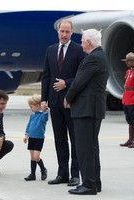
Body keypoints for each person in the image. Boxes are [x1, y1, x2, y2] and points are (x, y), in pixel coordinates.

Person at [64, 29, 109, 195]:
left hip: (86, 109)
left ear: (89, 42)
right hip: (92, 109)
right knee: (91, 147)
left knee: (85, 149)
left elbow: (78, 83)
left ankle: (89, 185)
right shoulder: (100, 56)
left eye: (83, 41)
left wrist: (67, 98)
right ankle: (94, 182)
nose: (81, 43)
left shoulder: (92, 58)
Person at [41, 19, 86, 187]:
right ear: (57, 32)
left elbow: (83, 75)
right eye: (62, 31)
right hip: (54, 102)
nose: (64, 34)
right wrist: (44, 99)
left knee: (74, 139)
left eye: (67, 32)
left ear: (72, 33)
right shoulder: (51, 50)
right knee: (59, 139)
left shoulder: (78, 50)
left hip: (71, 101)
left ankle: (75, 174)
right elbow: (46, 76)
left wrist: (66, 83)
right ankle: (62, 173)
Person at [23, 94, 48, 181]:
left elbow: (45, 118)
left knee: (36, 157)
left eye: (31, 106)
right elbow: (29, 125)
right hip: (32, 138)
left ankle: (43, 169)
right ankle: (32, 174)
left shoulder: (42, 115)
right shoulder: (32, 115)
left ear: (37, 106)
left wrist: (45, 111)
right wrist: (26, 135)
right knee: (32, 157)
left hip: (39, 139)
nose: (30, 108)